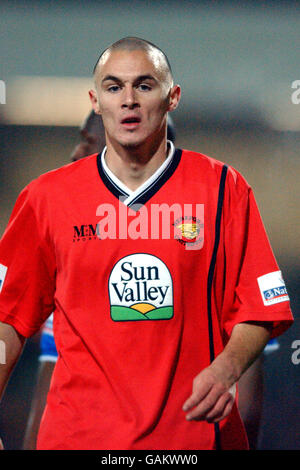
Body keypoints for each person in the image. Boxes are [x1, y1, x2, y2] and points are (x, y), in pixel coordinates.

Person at [0, 37, 293, 450]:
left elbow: (261, 308)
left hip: (190, 444)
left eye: (145, 85)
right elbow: (8, 319)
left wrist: (227, 368)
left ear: (172, 97)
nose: (129, 100)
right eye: (114, 87)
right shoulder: (46, 199)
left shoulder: (224, 189)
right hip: (80, 441)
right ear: (95, 99)